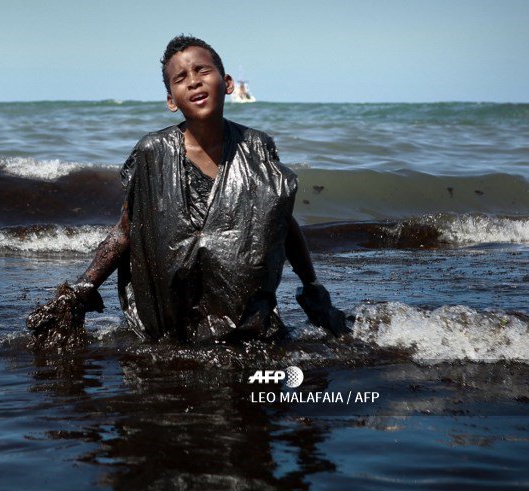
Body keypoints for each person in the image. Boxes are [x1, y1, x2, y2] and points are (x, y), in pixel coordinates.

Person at [27, 35, 348, 346]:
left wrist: (313, 288)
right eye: (180, 78)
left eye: (202, 71)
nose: (193, 81)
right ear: (171, 100)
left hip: (248, 323)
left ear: (228, 83)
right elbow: (127, 229)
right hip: (171, 324)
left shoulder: (258, 147)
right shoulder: (152, 152)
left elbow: (280, 222)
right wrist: (82, 289)